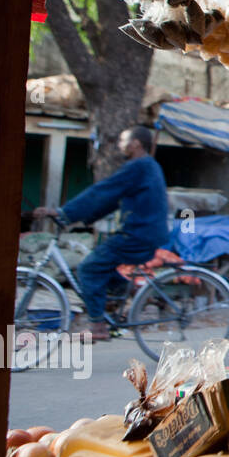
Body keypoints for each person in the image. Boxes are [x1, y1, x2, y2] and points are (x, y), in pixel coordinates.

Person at [33, 126, 169, 340]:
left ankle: (98, 327)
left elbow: (102, 190)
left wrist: (64, 212)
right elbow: (111, 200)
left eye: (124, 140)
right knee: (100, 266)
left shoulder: (138, 166)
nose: (120, 145)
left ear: (136, 144)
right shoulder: (148, 166)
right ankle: (131, 292)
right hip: (145, 233)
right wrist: (76, 217)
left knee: (88, 269)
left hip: (137, 235)